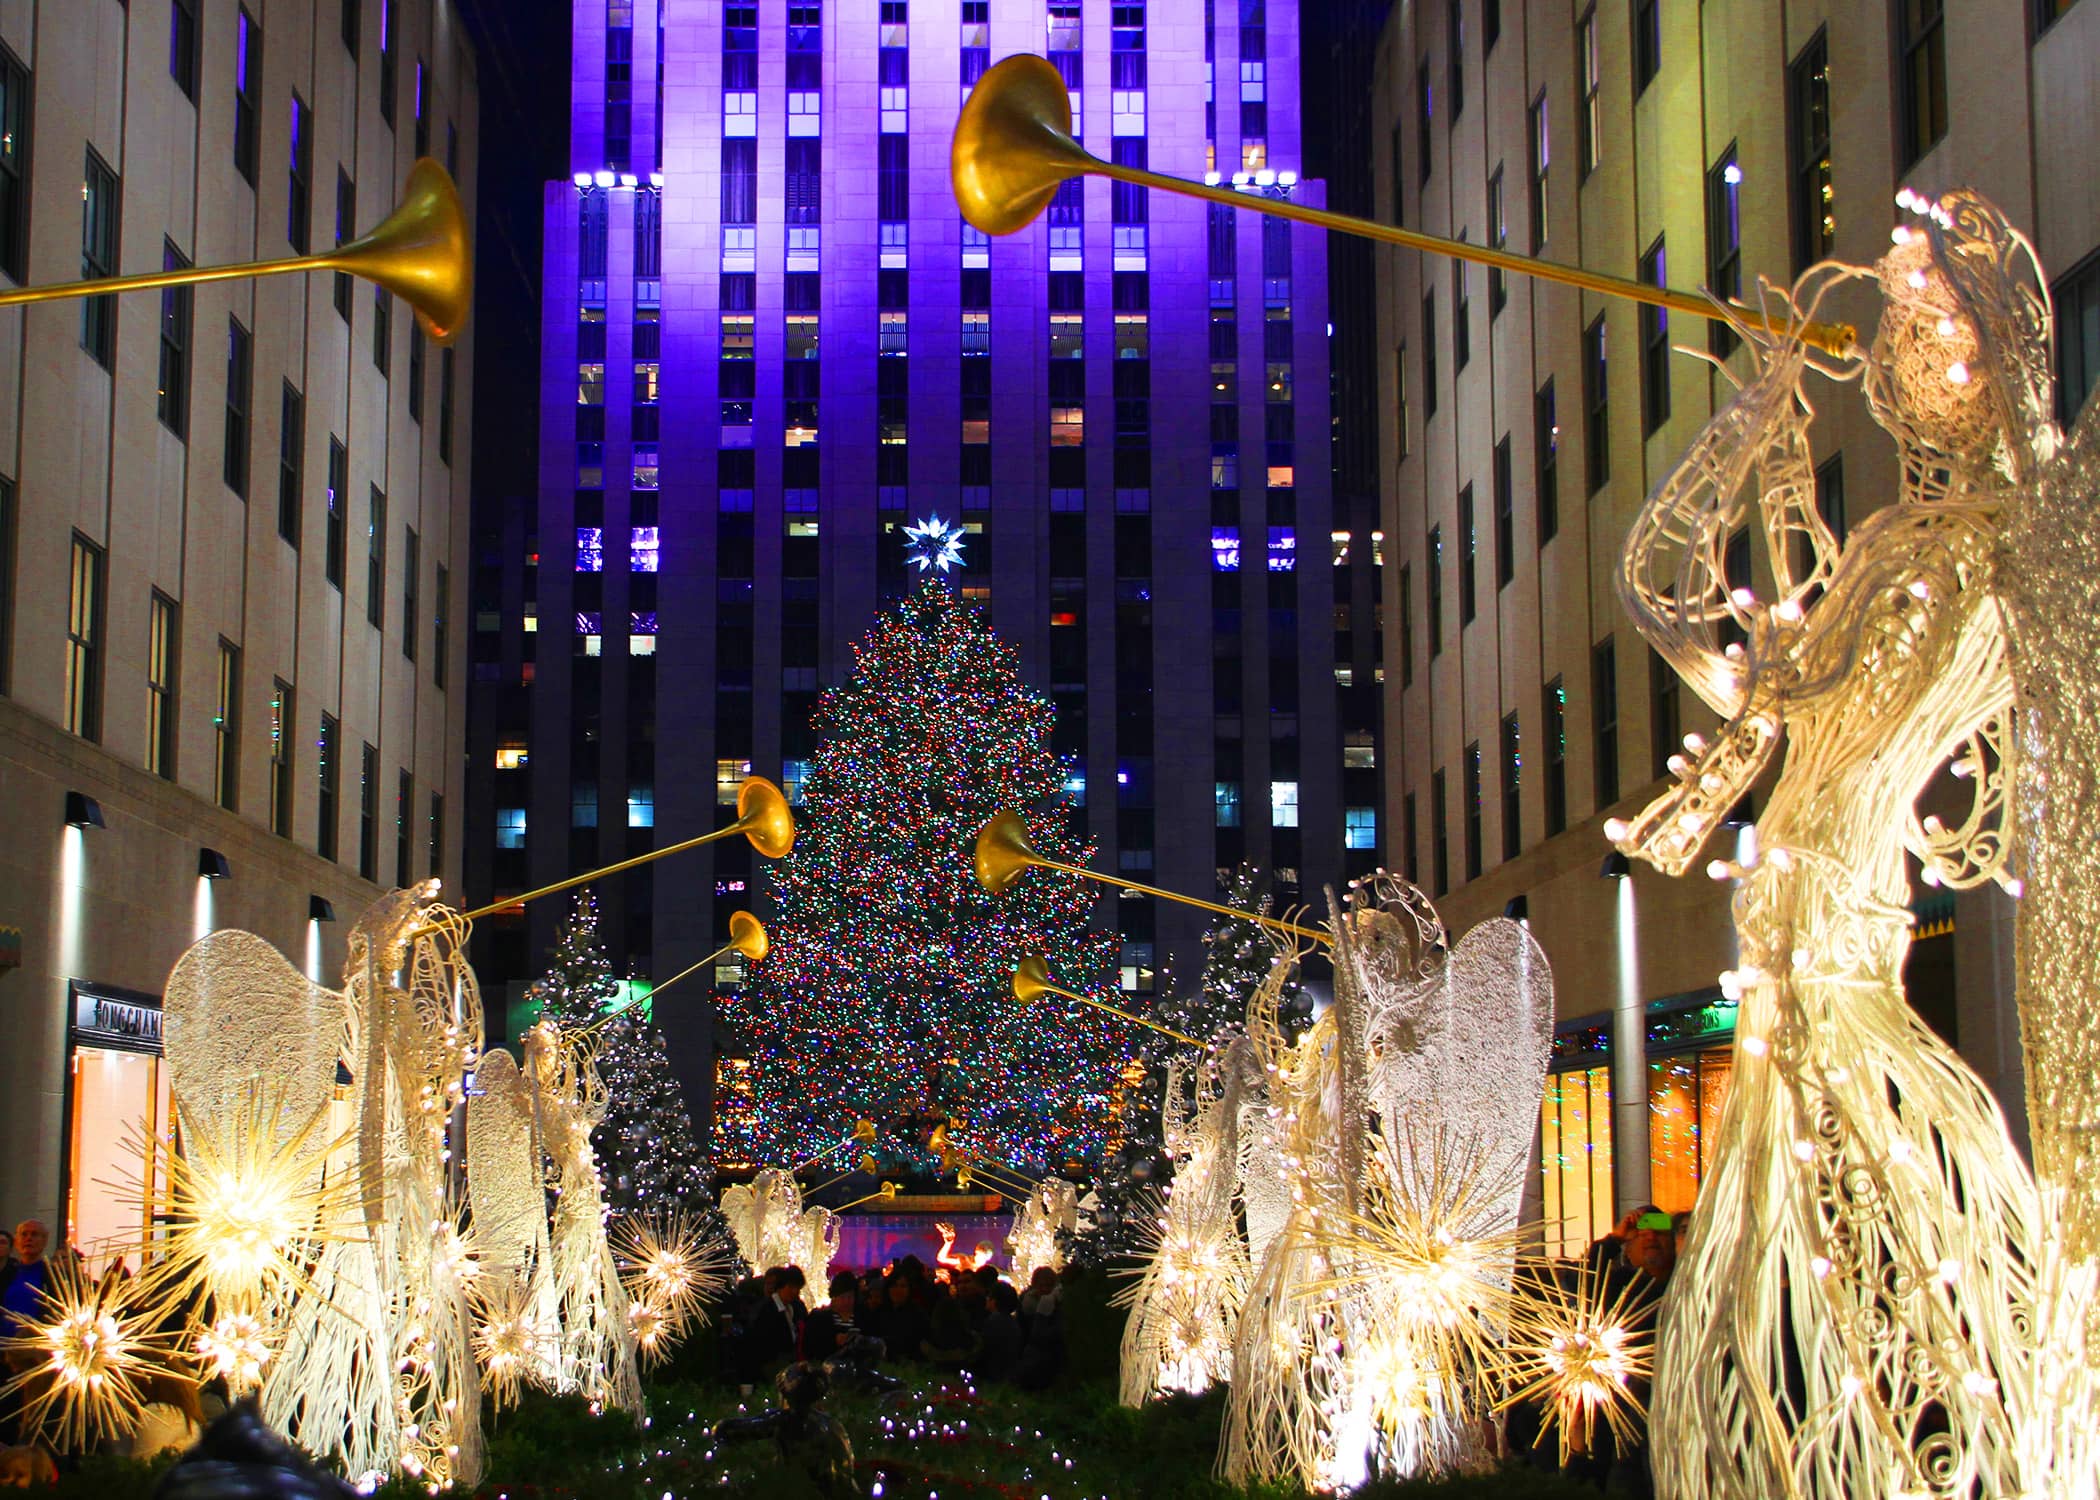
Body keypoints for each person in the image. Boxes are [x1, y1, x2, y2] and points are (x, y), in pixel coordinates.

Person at [1566, 1206, 1676, 1495]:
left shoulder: (1683, 1285)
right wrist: (1613, 1239)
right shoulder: (1619, 1286)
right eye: (1641, 1233)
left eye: (1659, 1231)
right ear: (1628, 1248)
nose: (1651, 1237)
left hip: (1675, 1395)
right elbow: (1588, 1282)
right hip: (1624, 1402)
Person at [743, 1265, 808, 1379]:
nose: (795, 1292)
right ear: (781, 1287)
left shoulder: (796, 1307)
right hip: (773, 1367)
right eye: (791, 1287)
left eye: (797, 1288)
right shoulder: (766, 1310)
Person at [802, 1272, 861, 1362]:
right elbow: (809, 1347)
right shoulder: (819, 1317)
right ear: (834, 1296)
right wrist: (833, 1341)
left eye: (850, 1297)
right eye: (842, 1297)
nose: (846, 1301)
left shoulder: (863, 1317)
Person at [975, 1281, 1023, 1383]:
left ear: (994, 1300)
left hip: (995, 1374)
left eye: (989, 1296)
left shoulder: (994, 1320)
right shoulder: (1012, 1321)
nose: (986, 1299)